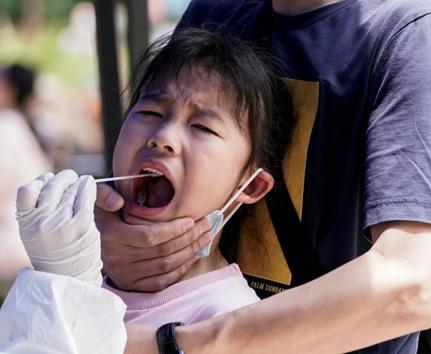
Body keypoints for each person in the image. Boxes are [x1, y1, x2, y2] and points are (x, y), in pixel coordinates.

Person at [97, 0, 431, 353]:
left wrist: (173, 346)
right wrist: (106, 235)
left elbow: (409, 285)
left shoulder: (416, 35)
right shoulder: (216, 9)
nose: (165, 137)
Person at [10, 27, 295, 329]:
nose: (163, 137)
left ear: (251, 185)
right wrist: (55, 277)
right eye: (150, 112)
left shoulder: (227, 320)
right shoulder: (87, 274)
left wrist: (63, 284)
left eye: (203, 128)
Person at [0, 64, 51, 295]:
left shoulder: (7, 126)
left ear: (9, 90)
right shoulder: (25, 124)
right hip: (36, 243)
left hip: (15, 246)